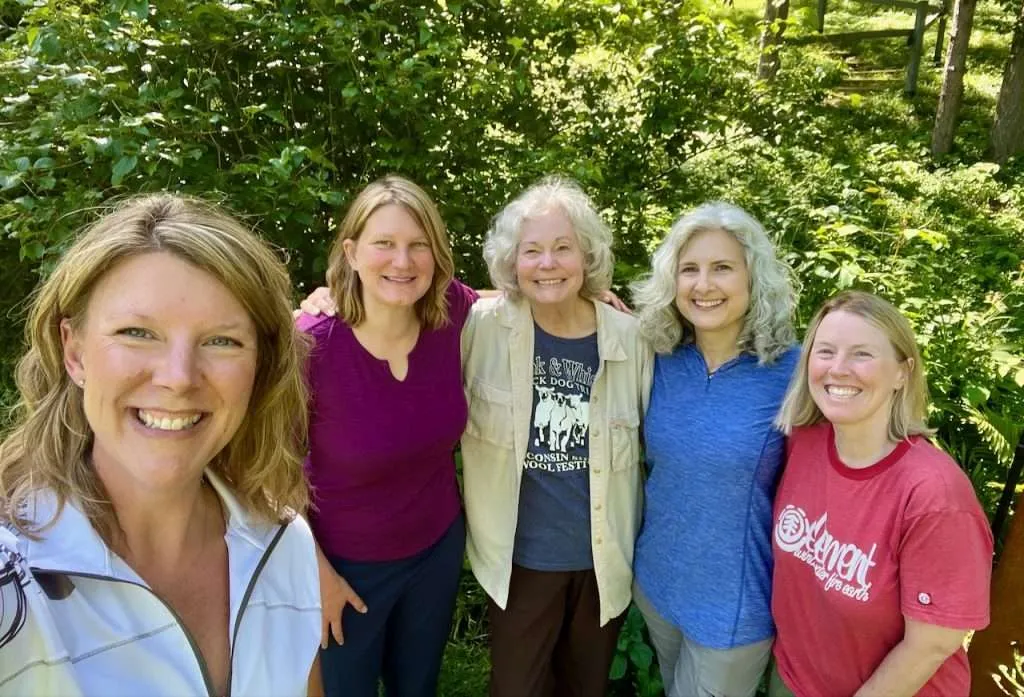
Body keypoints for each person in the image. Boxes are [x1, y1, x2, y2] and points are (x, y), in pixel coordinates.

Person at [0, 195, 321, 696]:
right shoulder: (12, 579)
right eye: (137, 332)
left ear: (261, 367)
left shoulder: (282, 544)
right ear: (74, 351)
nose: (178, 378)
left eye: (222, 341)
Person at [460, 177, 652, 697]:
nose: (548, 264)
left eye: (563, 248)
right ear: (511, 262)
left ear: (586, 257)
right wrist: (330, 299)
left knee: (584, 688)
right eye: (533, 251)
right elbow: (401, 308)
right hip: (520, 561)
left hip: (601, 560)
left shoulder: (630, 339)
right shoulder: (480, 327)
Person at [298, 176, 475, 697]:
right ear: (351, 252)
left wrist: (576, 288)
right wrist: (318, 573)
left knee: (416, 687)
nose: (403, 261)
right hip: (344, 566)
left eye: (418, 245)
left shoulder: (449, 313)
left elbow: (505, 298)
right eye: (385, 244)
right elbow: (266, 474)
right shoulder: (311, 347)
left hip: (436, 549)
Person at [769, 290, 993, 697]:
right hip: (795, 679)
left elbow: (933, 644)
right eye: (825, 351)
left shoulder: (934, 496)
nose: (838, 369)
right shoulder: (805, 443)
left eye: (861, 354)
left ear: (903, 372)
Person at [629, 202, 799, 697]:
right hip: (658, 585)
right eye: (690, 269)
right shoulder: (659, 357)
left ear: (753, 276)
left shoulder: (795, 372)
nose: (704, 285)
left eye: (722, 268)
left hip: (734, 608)